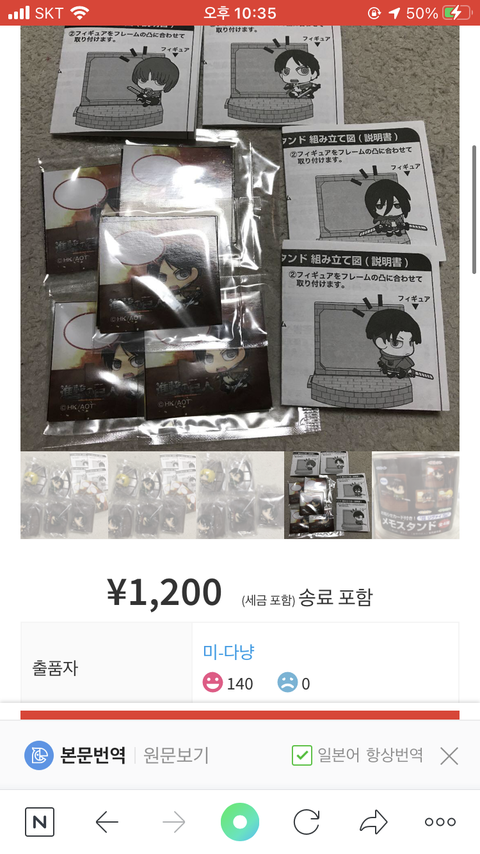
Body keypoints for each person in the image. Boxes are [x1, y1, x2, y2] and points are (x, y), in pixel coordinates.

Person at [360, 179, 427, 238]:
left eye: (397, 205)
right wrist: (381, 227)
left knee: (397, 230)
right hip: (388, 227)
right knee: (389, 230)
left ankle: (397, 232)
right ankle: (390, 233)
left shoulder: (398, 218)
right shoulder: (383, 219)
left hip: (397, 226)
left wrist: (403, 225)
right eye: (380, 207)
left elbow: (401, 222)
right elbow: (382, 224)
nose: (389, 211)